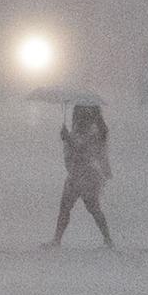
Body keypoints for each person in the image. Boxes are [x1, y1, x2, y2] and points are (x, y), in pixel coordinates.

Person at [49, 104, 113, 248]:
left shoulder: (93, 134)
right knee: (66, 207)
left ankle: (107, 238)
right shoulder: (77, 132)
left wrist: (68, 140)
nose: (76, 118)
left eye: (78, 115)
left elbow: (83, 152)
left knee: (93, 208)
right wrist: (67, 138)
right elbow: (72, 153)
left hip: (87, 177)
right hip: (75, 176)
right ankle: (57, 239)